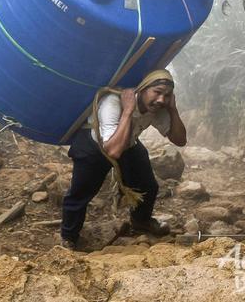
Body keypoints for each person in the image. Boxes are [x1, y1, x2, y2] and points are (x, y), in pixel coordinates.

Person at [60, 69, 187, 250]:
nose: (161, 100)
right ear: (142, 89)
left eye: (167, 95)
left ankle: (141, 222)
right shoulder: (113, 103)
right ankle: (68, 238)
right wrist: (127, 111)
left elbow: (180, 140)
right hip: (95, 145)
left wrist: (173, 109)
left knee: (148, 186)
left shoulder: (157, 107)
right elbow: (112, 151)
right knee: (80, 194)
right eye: (157, 92)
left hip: (127, 143)